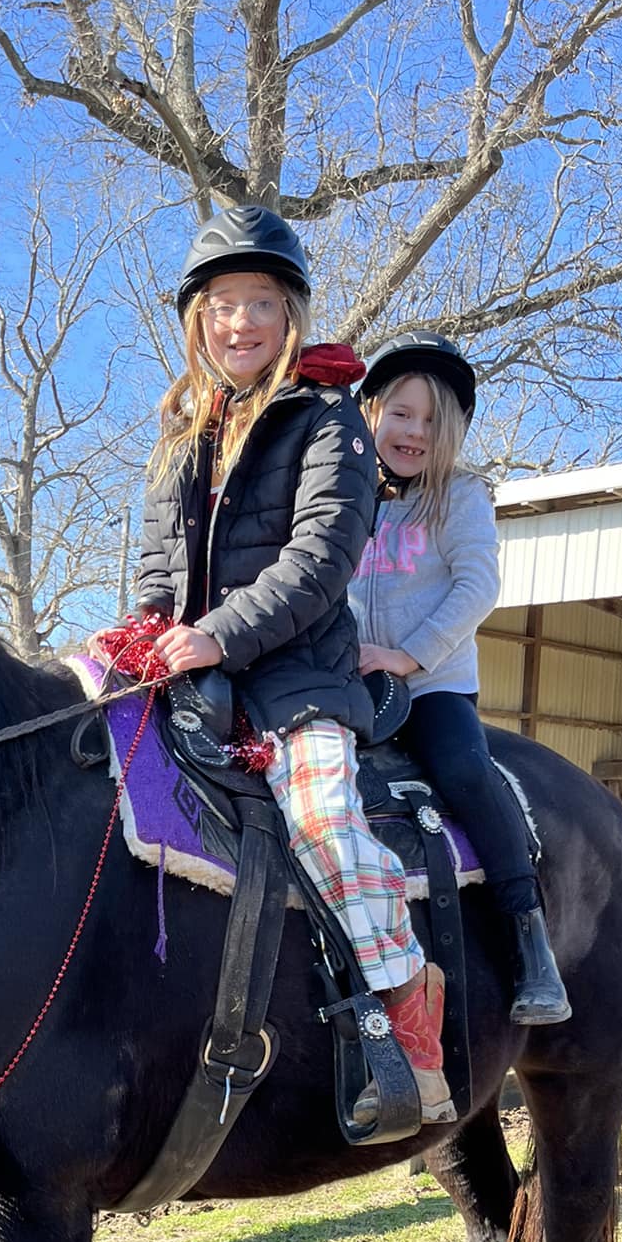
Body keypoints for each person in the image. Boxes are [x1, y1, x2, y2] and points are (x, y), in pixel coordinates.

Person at [137, 204, 454, 1125]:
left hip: (294, 679)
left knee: (322, 825)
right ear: (198, 319)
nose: (241, 322)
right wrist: (151, 632)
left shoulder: (330, 425)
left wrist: (219, 636)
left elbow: (318, 562)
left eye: (261, 303)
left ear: (291, 318)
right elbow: (158, 564)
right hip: (193, 669)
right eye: (223, 303)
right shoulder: (178, 435)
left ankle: (408, 1013)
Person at [353, 334, 569, 1024]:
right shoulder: (341, 496)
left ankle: (527, 935)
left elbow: (478, 585)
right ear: (373, 415)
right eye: (401, 414)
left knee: (466, 770)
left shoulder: (462, 496)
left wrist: (408, 657)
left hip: (431, 685)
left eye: (432, 421)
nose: (414, 432)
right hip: (348, 684)